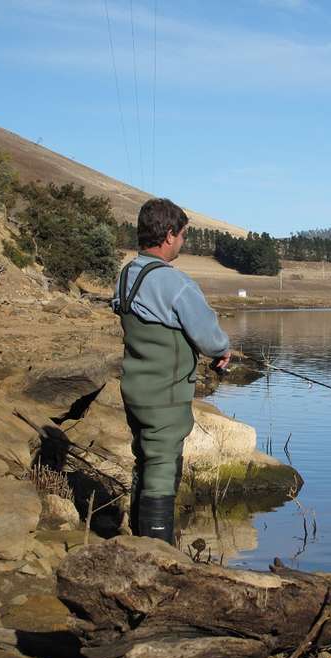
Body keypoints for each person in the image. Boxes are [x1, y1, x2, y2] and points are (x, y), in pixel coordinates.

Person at [112, 198, 230, 544]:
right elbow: (208, 336)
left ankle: (136, 542)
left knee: (145, 461)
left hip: (136, 389)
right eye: (182, 236)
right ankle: (156, 552)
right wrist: (223, 350)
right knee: (163, 469)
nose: (183, 243)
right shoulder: (174, 283)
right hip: (166, 395)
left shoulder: (127, 275)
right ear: (168, 235)